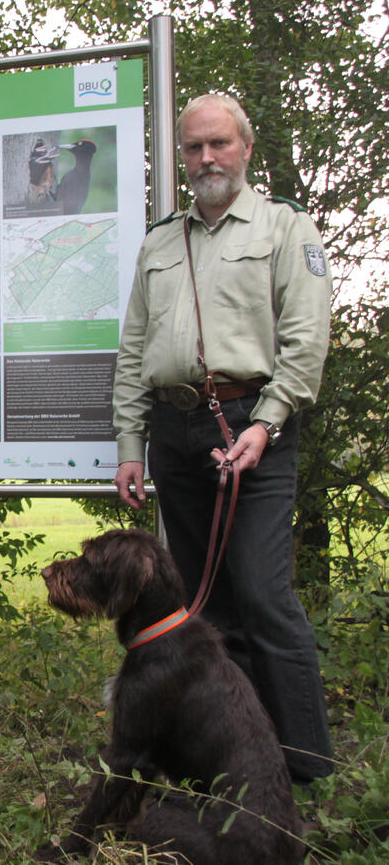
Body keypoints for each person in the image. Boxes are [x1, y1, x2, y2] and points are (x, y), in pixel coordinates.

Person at [112, 94, 334, 784]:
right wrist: (129, 443)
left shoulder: (284, 229)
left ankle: (307, 773)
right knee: (208, 608)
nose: (206, 159)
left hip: (253, 423)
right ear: (180, 157)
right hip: (175, 433)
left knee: (264, 596)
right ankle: (236, 766)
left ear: (246, 145)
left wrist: (265, 425)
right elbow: (133, 349)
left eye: (219, 144)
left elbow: (307, 342)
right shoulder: (160, 241)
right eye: (192, 148)